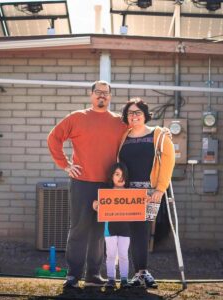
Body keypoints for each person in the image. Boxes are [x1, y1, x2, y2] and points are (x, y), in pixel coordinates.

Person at [47, 80, 127, 289]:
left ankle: (93, 275)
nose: (102, 96)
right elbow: (54, 138)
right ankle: (73, 275)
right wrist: (65, 165)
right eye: (98, 92)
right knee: (79, 230)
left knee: (99, 232)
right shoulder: (77, 118)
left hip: (107, 186)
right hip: (82, 183)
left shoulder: (119, 122)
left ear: (110, 97)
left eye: (106, 93)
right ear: (91, 95)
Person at [118, 97, 175, 288]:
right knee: (130, 232)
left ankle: (142, 272)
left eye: (137, 112)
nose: (134, 116)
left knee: (142, 230)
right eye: (130, 113)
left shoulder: (158, 135)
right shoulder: (122, 136)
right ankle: (137, 272)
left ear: (145, 115)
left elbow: (168, 162)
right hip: (125, 193)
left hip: (149, 193)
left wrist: (160, 189)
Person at [93, 162, 131, 289]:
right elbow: (96, 204)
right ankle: (111, 279)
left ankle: (124, 279)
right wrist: (96, 205)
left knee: (124, 254)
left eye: (123, 175)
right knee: (110, 254)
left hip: (126, 229)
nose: (121, 177)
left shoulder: (131, 193)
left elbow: (139, 206)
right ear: (111, 176)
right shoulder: (105, 192)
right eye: (117, 174)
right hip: (109, 229)